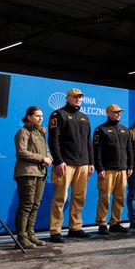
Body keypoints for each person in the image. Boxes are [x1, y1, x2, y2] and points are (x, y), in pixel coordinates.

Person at [48, 88, 94, 243]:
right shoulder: (58, 114)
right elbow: (53, 139)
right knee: (60, 198)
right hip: (65, 164)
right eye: (75, 97)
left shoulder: (84, 117)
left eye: (80, 97)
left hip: (83, 164)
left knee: (79, 198)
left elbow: (88, 142)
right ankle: (55, 231)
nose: (78, 99)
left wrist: (91, 162)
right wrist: (58, 161)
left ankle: (75, 228)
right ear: (67, 98)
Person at [13, 106, 53, 249]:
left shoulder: (40, 132)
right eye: (37, 115)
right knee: (26, 205)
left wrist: (49, 157)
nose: (40, 118)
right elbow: (21, 152)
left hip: (40, 173)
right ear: (29, 117)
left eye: (42, 116)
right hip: (27, 173)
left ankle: (30, 234)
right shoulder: (23, 132)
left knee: (35, 205)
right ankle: (21, 237)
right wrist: (42, 158)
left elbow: (44, 152)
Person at [94, 104, 133, 235]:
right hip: (107, 170)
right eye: (115, 112)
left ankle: (115, 223)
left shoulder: (125, 130)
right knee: (104, 197)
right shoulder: (101, 129)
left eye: (119, 112)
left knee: (120, 197)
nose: (118, 114)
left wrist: (130, 166)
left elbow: (129, 150)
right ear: (108, 113)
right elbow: (97, 151)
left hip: (122, 170)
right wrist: (100, 168)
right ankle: (102, 224)